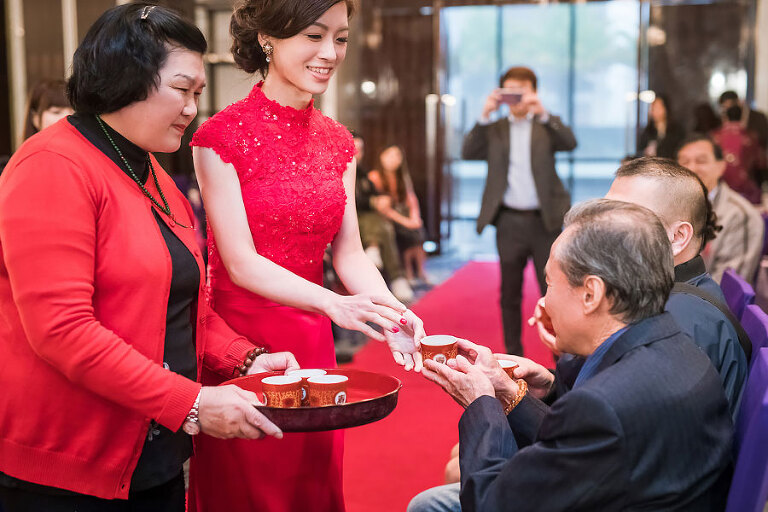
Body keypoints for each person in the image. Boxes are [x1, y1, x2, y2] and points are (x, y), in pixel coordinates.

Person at [0, 4, 300, 511]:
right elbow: (61, 329)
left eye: (198, 94)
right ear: (125, 79)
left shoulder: (154, 173)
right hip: (70, 464)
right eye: (182, 89)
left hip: (154, 446)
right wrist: (193, 402)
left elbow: (181, 302)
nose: (192, 109)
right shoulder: (52, 166)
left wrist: (245, 358)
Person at [188, 1, 426, 510]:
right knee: (252, 489)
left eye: (340, 38)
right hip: (243, 340)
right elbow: (240, 263)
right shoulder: (219, 138)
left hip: (314, 337)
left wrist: (394, 311)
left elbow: (350, 254)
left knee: (312, 483)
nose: (330, 53)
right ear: (268, 39)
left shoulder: (338, 142)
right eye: (315, 36)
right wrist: (333, 304)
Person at [417, 199, 733, 512]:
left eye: (549, 284)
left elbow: (490, 504)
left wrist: (481, 403)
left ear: (591, 294)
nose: (544, 302)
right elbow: (582, 447)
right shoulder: (679, 344)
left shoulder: (604, 405)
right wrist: (511, 393)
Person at [462, 66, 576, 356]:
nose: (516, 97)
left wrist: (543, 112)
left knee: (553, 291)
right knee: (509, 293)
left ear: (534, 92)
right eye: (510, 90)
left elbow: (570, 142)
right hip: (509, 221)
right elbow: (468, 152)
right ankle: (512, 357)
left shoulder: (545, 125)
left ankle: (560, 356)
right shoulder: (495, 128)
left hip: (545, 221)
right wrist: (485, 114)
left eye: (522, 90)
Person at [678, 134, 764, 283]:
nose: (692, 168)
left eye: (701, 161)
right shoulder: (670, 207)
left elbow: (727, 287)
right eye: (685, 162)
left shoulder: (740, 215)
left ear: (721, 166)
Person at [352, 133, 413, 302]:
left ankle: (375, 250)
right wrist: (373, 201)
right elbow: (352, 200)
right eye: (354, 149)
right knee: (379, 223)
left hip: (370, 219)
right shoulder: (339, 171)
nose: (357, 153)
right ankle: (397, 278)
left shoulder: (363, 172)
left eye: (360, 149)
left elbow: (375, 194)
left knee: (384, 226)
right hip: (352, 219)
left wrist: (381, 199)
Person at [370, 144, 430, 286]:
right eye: (390, 155)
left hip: (401, 214)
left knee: (418, 231)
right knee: (407, 232)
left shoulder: (402, 177)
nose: (394, 159)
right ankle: (408, 273)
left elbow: (411, 200)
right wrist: (406, 222)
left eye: (397, 156)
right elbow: (382, 208)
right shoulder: (374, 177)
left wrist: (415, 217)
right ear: (382, 156)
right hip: (386, 217)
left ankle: (421, 271)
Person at [712, 105, 764, 204]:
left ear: (725, 117)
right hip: (746, 191)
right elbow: (760, 162)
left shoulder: (715, 136)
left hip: (721, 189)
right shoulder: (751, 136)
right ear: (743, 117)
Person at [637, 94, 686, 158]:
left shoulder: (676, 129)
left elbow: (680, 150)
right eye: (653, 108)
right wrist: (645, 152)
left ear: (666, 108)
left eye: (658, 107)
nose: (655, 111)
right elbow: (639, 151)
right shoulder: (648, 130)